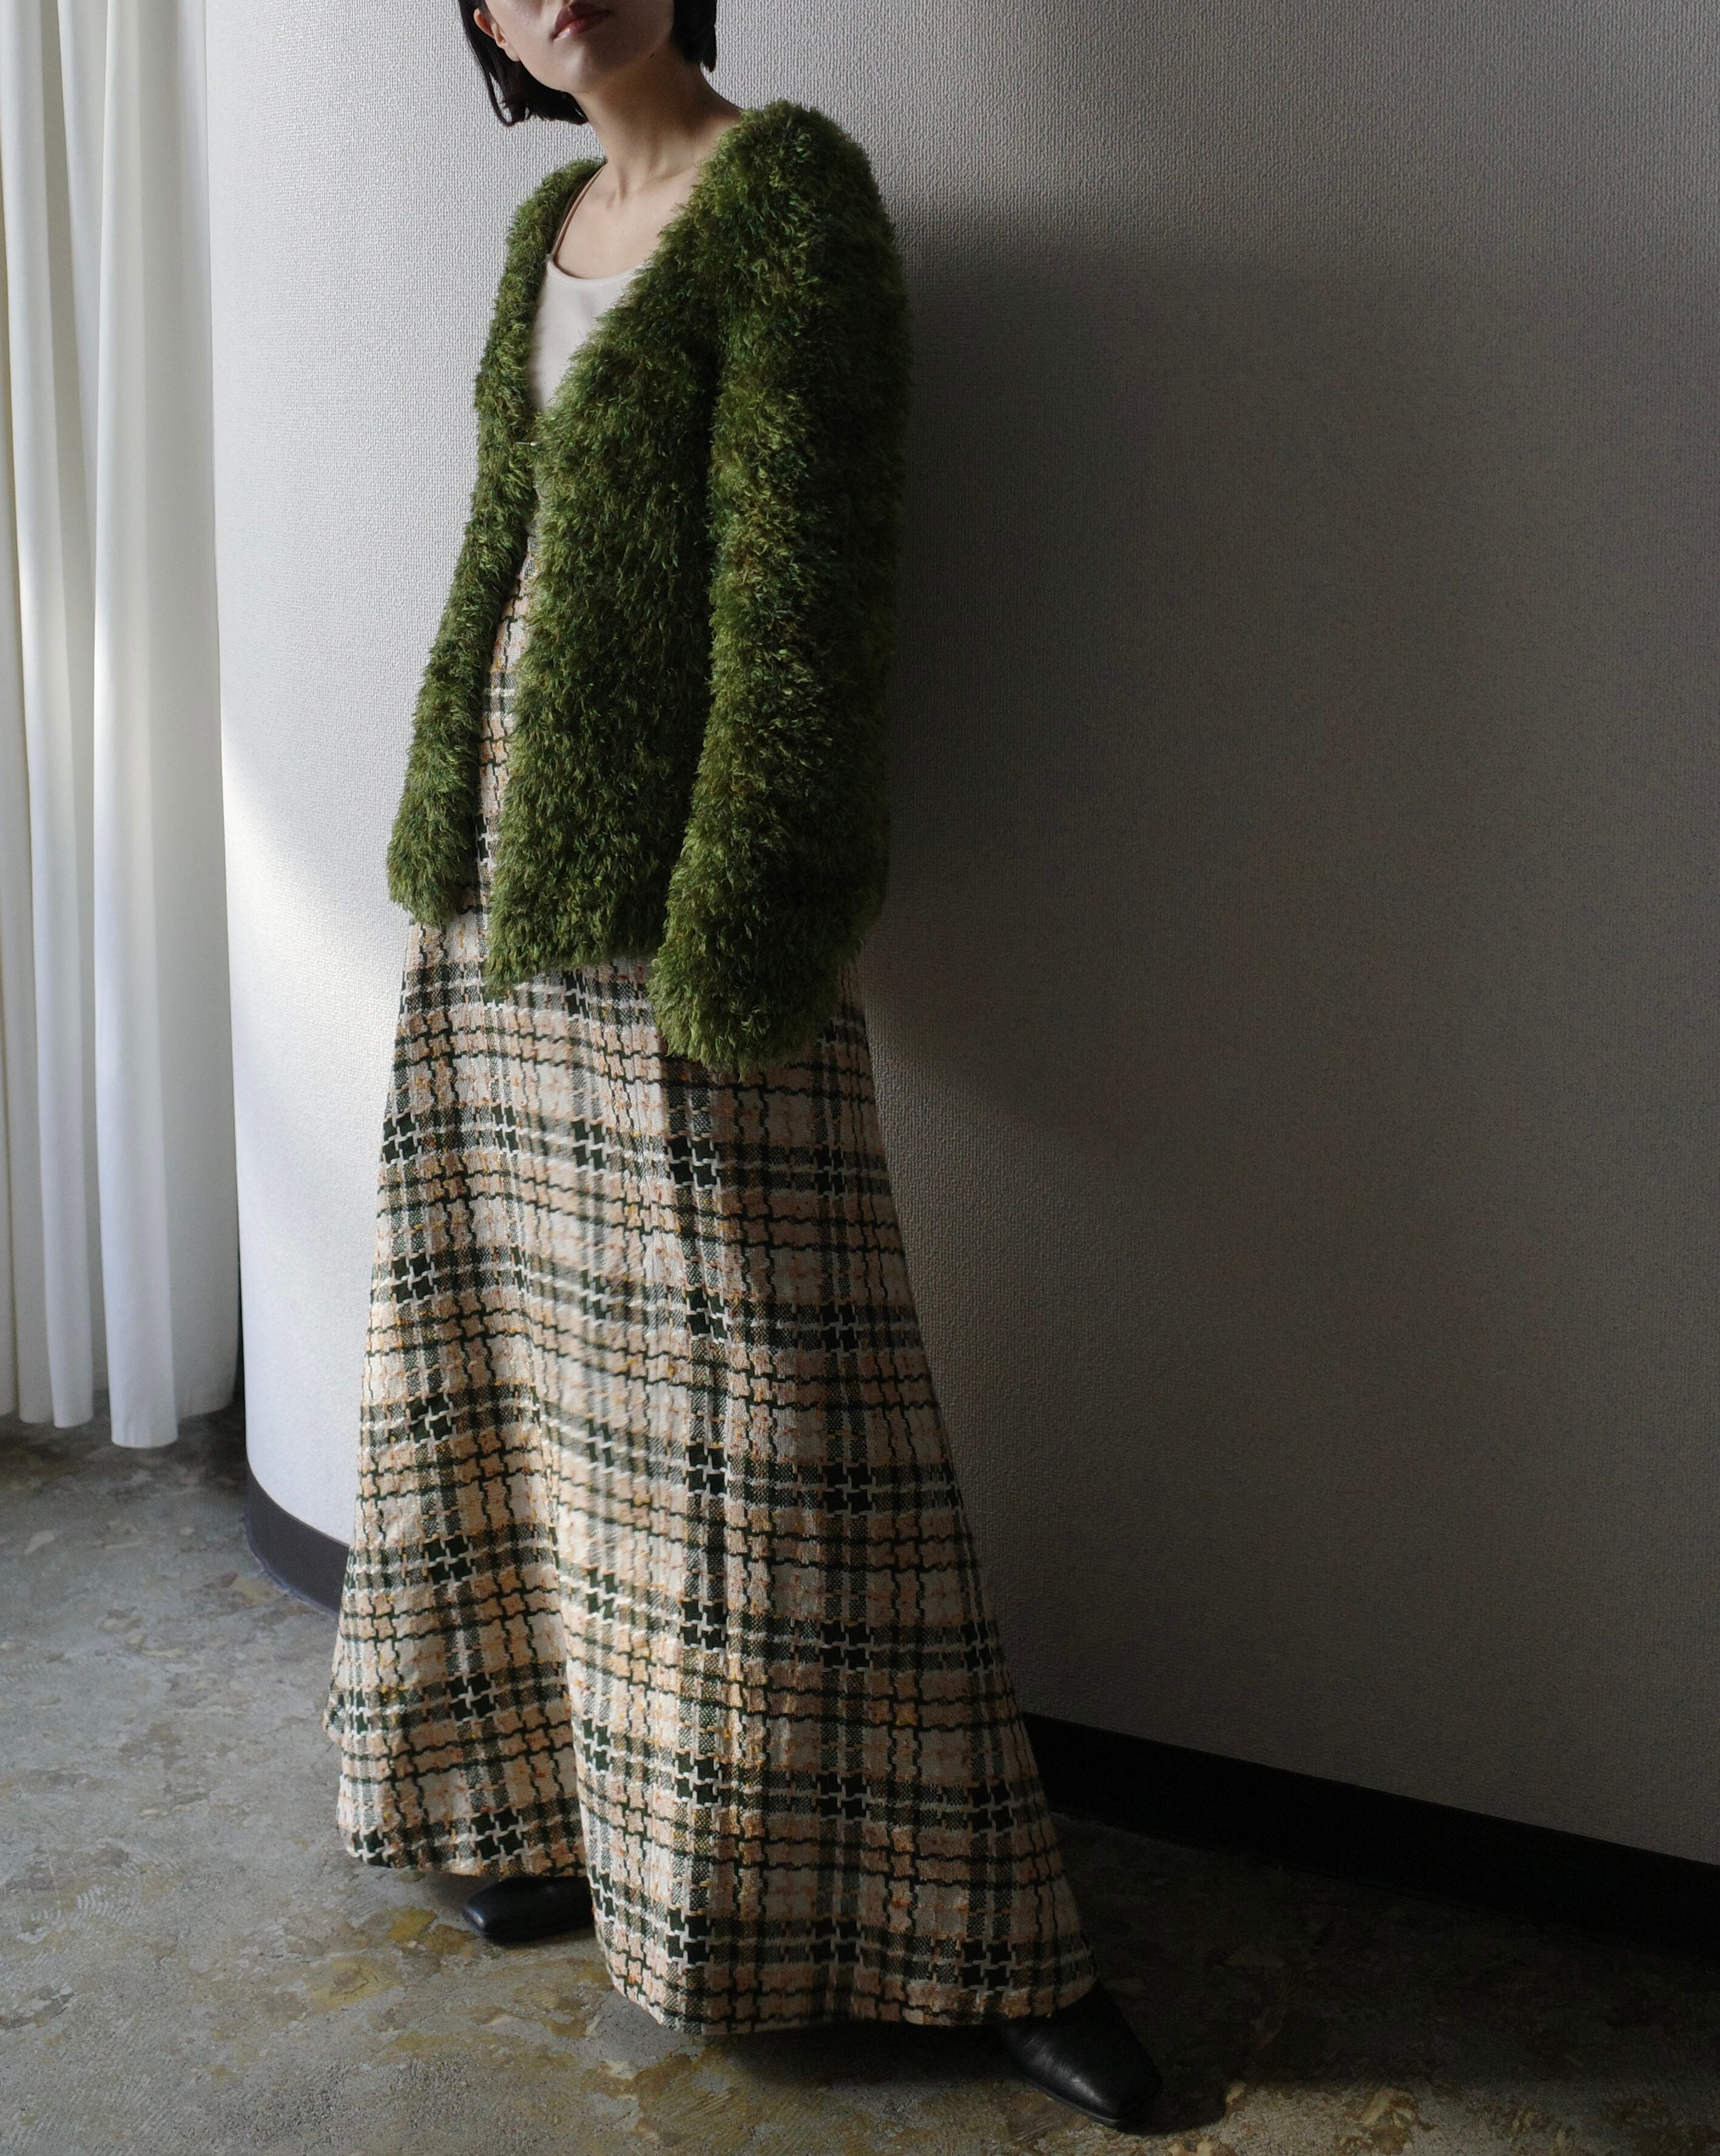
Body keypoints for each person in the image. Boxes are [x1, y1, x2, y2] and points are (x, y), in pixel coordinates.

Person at [320, 0, 1164, 2131]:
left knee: (780, 1403)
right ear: (479, 22)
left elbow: (806, 597)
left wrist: (751, 928)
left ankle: (966, 1930)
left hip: (683, 904)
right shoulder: (544, 224)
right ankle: (547, 1807)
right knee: (524, 1364)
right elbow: (500, 549)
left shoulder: (787, 196)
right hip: (494, 879)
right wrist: (440, 848)